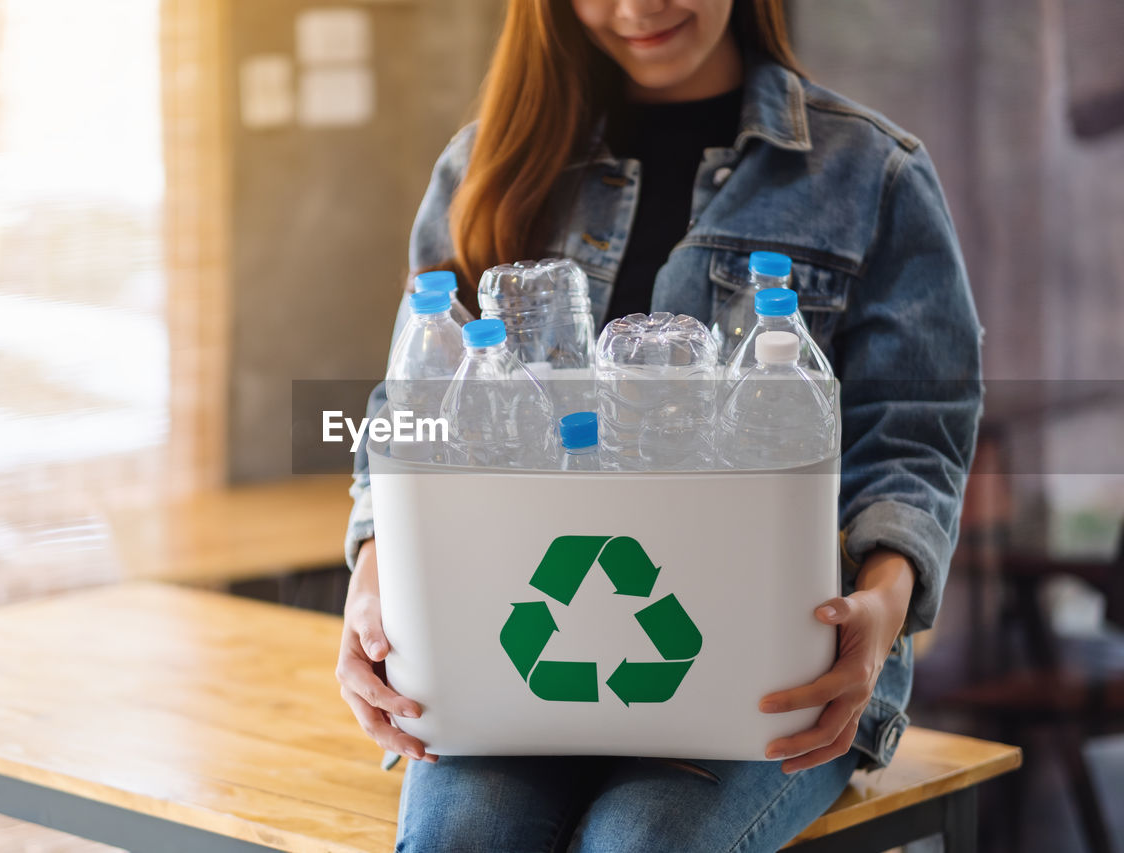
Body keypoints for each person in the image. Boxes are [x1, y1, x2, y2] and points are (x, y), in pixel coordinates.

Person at [336, 0, 983, 849]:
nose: (639, 8)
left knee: (641, 841)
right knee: (464, 835)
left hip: (775, 674)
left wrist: (885, 605)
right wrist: (375, 589)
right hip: (509, 668)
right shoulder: (488, 164)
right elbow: (407, 418)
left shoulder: (871, 172)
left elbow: (913, 435)